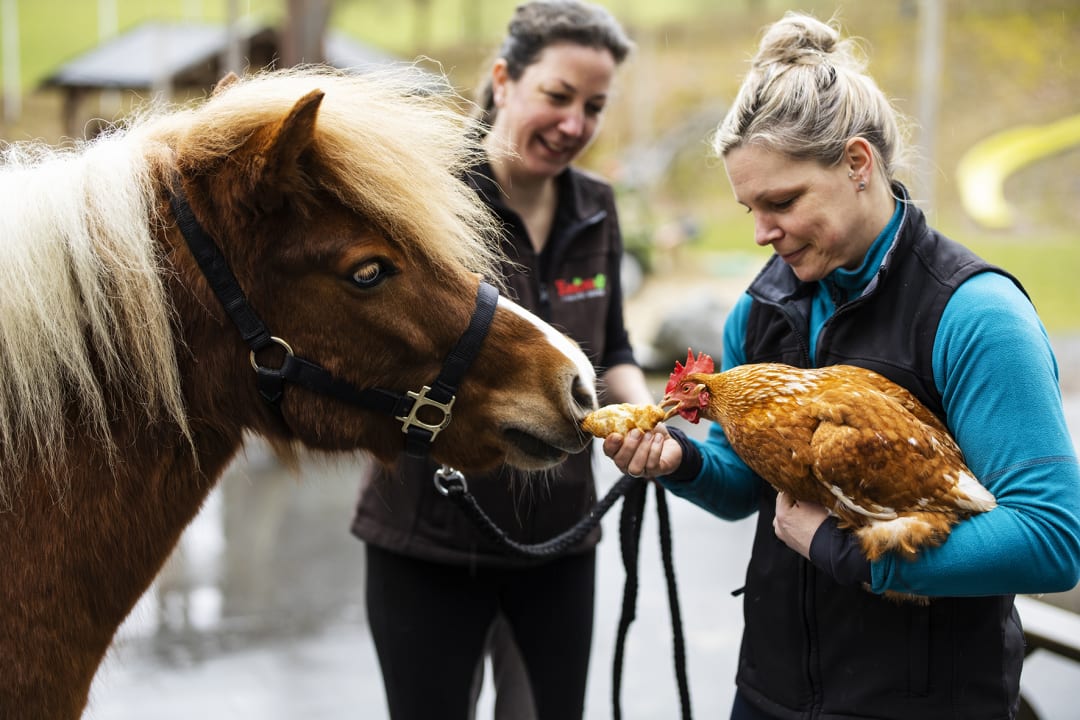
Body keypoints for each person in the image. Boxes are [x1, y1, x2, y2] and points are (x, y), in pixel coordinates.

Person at [602, 11, 1080, 720]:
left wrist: (850, 555)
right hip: (772, 691)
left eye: (783, 201)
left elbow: (1050, 538)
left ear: (858, 164)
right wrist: (680, 463)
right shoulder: (759, 309)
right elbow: (748, 488)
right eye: (749, 210)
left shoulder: (974, 314)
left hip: (925, 703)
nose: (764, 233)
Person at [351, 3, 649, 719]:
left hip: (560, 547)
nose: (574, 123)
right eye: (557, 95)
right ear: (504, 80)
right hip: (427, 547)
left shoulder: (596, 208)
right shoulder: (428, 203)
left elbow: (611, 349)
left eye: (594, 106)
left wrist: (640, 414)